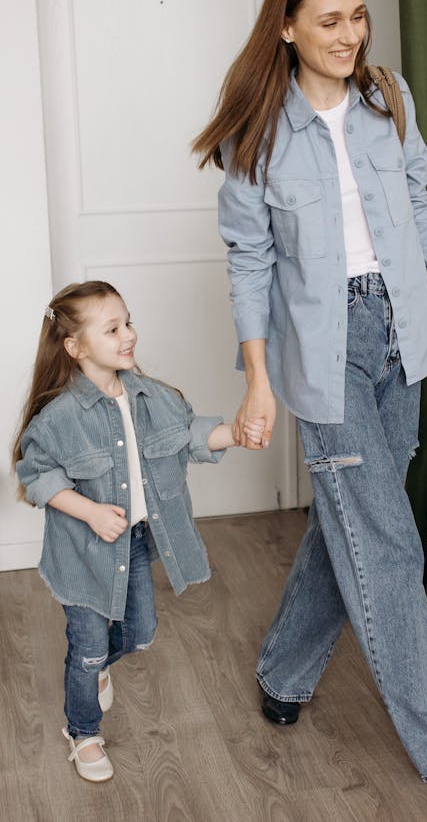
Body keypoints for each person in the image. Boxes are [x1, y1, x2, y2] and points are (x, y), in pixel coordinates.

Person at [192, 0, 427, 793]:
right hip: (321, 352)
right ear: (286, 27)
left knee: (346, 519)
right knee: (381, 540)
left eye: (358, 15)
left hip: (401, 336)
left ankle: (281, 671)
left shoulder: (390, 99)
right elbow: (249, 266)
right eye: (329, 20)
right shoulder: (254, 136)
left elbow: (420, 211)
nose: (350, 35)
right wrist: (258, 381)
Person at [12, 280, 263, 782]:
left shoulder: (152, 397)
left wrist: (234, 434)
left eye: (128, 322)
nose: (129, 334)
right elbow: (37, 476)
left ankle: (101, 663)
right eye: (113, 328)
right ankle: (83, 733)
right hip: (84, 552)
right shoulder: (60, 417)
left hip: (136, 541)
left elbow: (190, 434)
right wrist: (89, 511)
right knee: (85, 648)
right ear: (76, 347)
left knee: (141, 631)